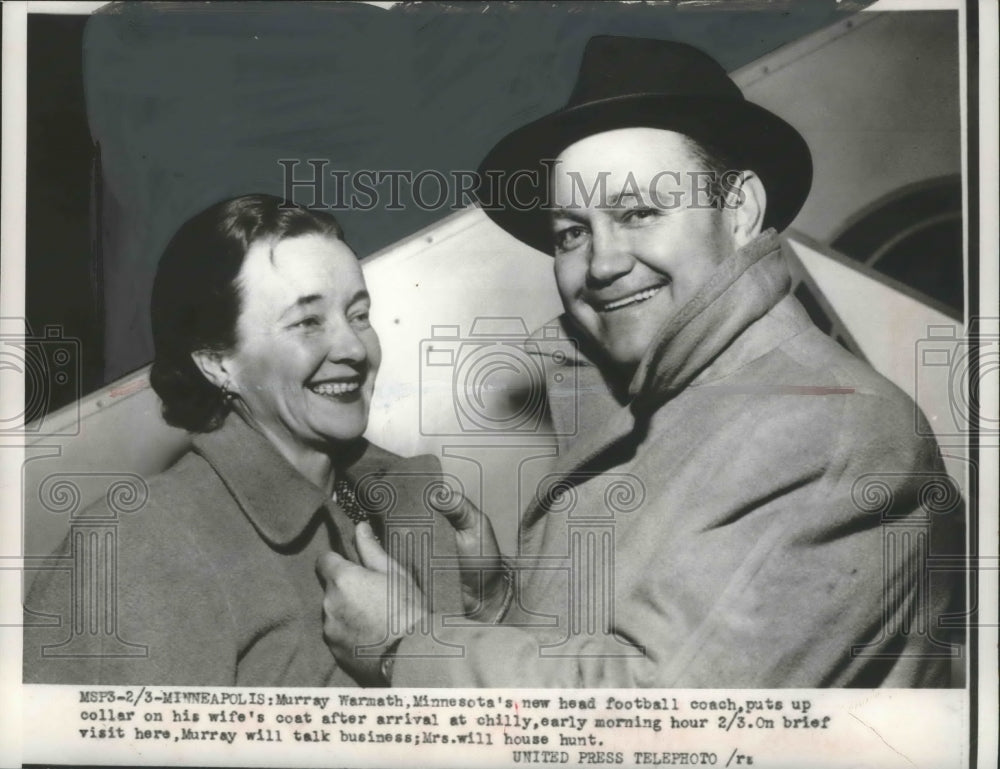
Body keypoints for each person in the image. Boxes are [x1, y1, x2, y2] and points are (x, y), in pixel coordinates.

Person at [318, 36, 965, 688]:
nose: (601, 263)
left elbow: (660, 715)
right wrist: (493, 598)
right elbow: (614, 645)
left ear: (739, 211)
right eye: (572, 232)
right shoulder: (657, 401)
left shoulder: (831, 429)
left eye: (638, 212)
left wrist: (404, 644)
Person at [23, 194, 462, 685]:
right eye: (307, 322)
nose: (354, 348)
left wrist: (487, 596)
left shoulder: (410, 500)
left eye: (358, 315)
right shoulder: (134, 546)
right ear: (217, 362)